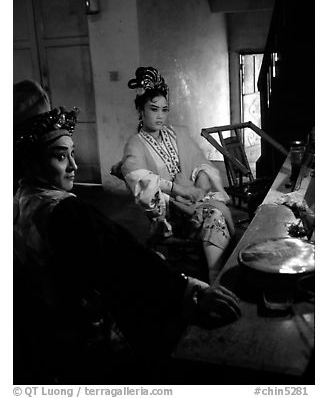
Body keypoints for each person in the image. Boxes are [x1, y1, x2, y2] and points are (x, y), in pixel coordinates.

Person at [13, 80, 241, 384]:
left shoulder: (21, 198)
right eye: (60, 156)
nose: (75, 167)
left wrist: (197, 185)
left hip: (46, 339)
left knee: (211, 212)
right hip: (84, 341)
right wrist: (189, 292)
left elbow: (97, 254)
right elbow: (125, 262)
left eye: (72, 154)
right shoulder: (66, 211)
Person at [121, 67, 235, 284]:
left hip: (195, 201)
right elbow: (140, 178)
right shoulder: (135, 144)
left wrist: (200, 184)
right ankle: (216, 278)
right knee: (215, 216)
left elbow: (200, 161)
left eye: (165, 110)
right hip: (169, 213)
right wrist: (178, 190)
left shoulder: (177, 133)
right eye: (154, 109)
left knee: (213, 212)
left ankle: (216, 274)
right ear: (141, 110)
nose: (160, 116)